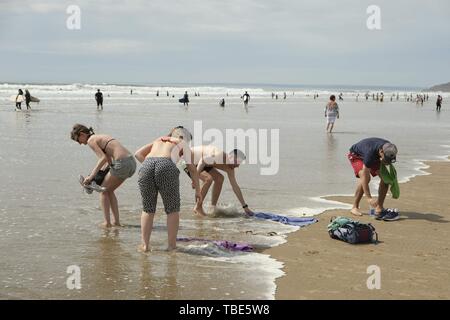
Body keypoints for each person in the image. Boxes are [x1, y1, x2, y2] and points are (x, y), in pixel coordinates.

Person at [134, 126, 202, 252]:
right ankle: (171, 246)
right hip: (166, 165)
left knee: (148, 208)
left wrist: (151, 166)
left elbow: (137, 154)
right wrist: (198, 191)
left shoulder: (159, 139)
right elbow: (192, 169)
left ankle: (145, 246)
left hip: (147, 165)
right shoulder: (182, 143)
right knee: (172, 209)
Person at [71, 124, 136, 227]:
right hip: (131, 163)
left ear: (82, 134)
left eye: (78, 140)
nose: (80, 144)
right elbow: (108, 161)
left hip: (122, 163)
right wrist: (97, 176)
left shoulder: (91, 140)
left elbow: (103, 159)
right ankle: (116, 222)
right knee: (109, 191)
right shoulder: (100, 137)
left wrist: (91, 176)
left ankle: (107, 223)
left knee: (103, 192)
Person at [183, 145, 254, 217]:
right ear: (231, 157)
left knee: (219, 178)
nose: (238, 166)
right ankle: (198, 207)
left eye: (239, 163)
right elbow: (203, 160)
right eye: (237, 162)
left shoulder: (230, 169)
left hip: (202, 164)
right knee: (208, 179)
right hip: (188, 159)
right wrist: (195, 178)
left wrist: (245, 207)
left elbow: (235, 187)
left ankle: (212, 208)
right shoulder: (219, 156)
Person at [347, 137, 399, 221]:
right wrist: (369, 198)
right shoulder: (369, 153)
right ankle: (355, 207)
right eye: (386, 159)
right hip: (357, 156)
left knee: (386, 179)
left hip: (376, 157)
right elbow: (364, 176)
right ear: (381, 152)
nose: (387, 161)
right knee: (366, 179)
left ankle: (379, 207)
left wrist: (386, 161)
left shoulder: (389, 147)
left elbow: (387, 160)